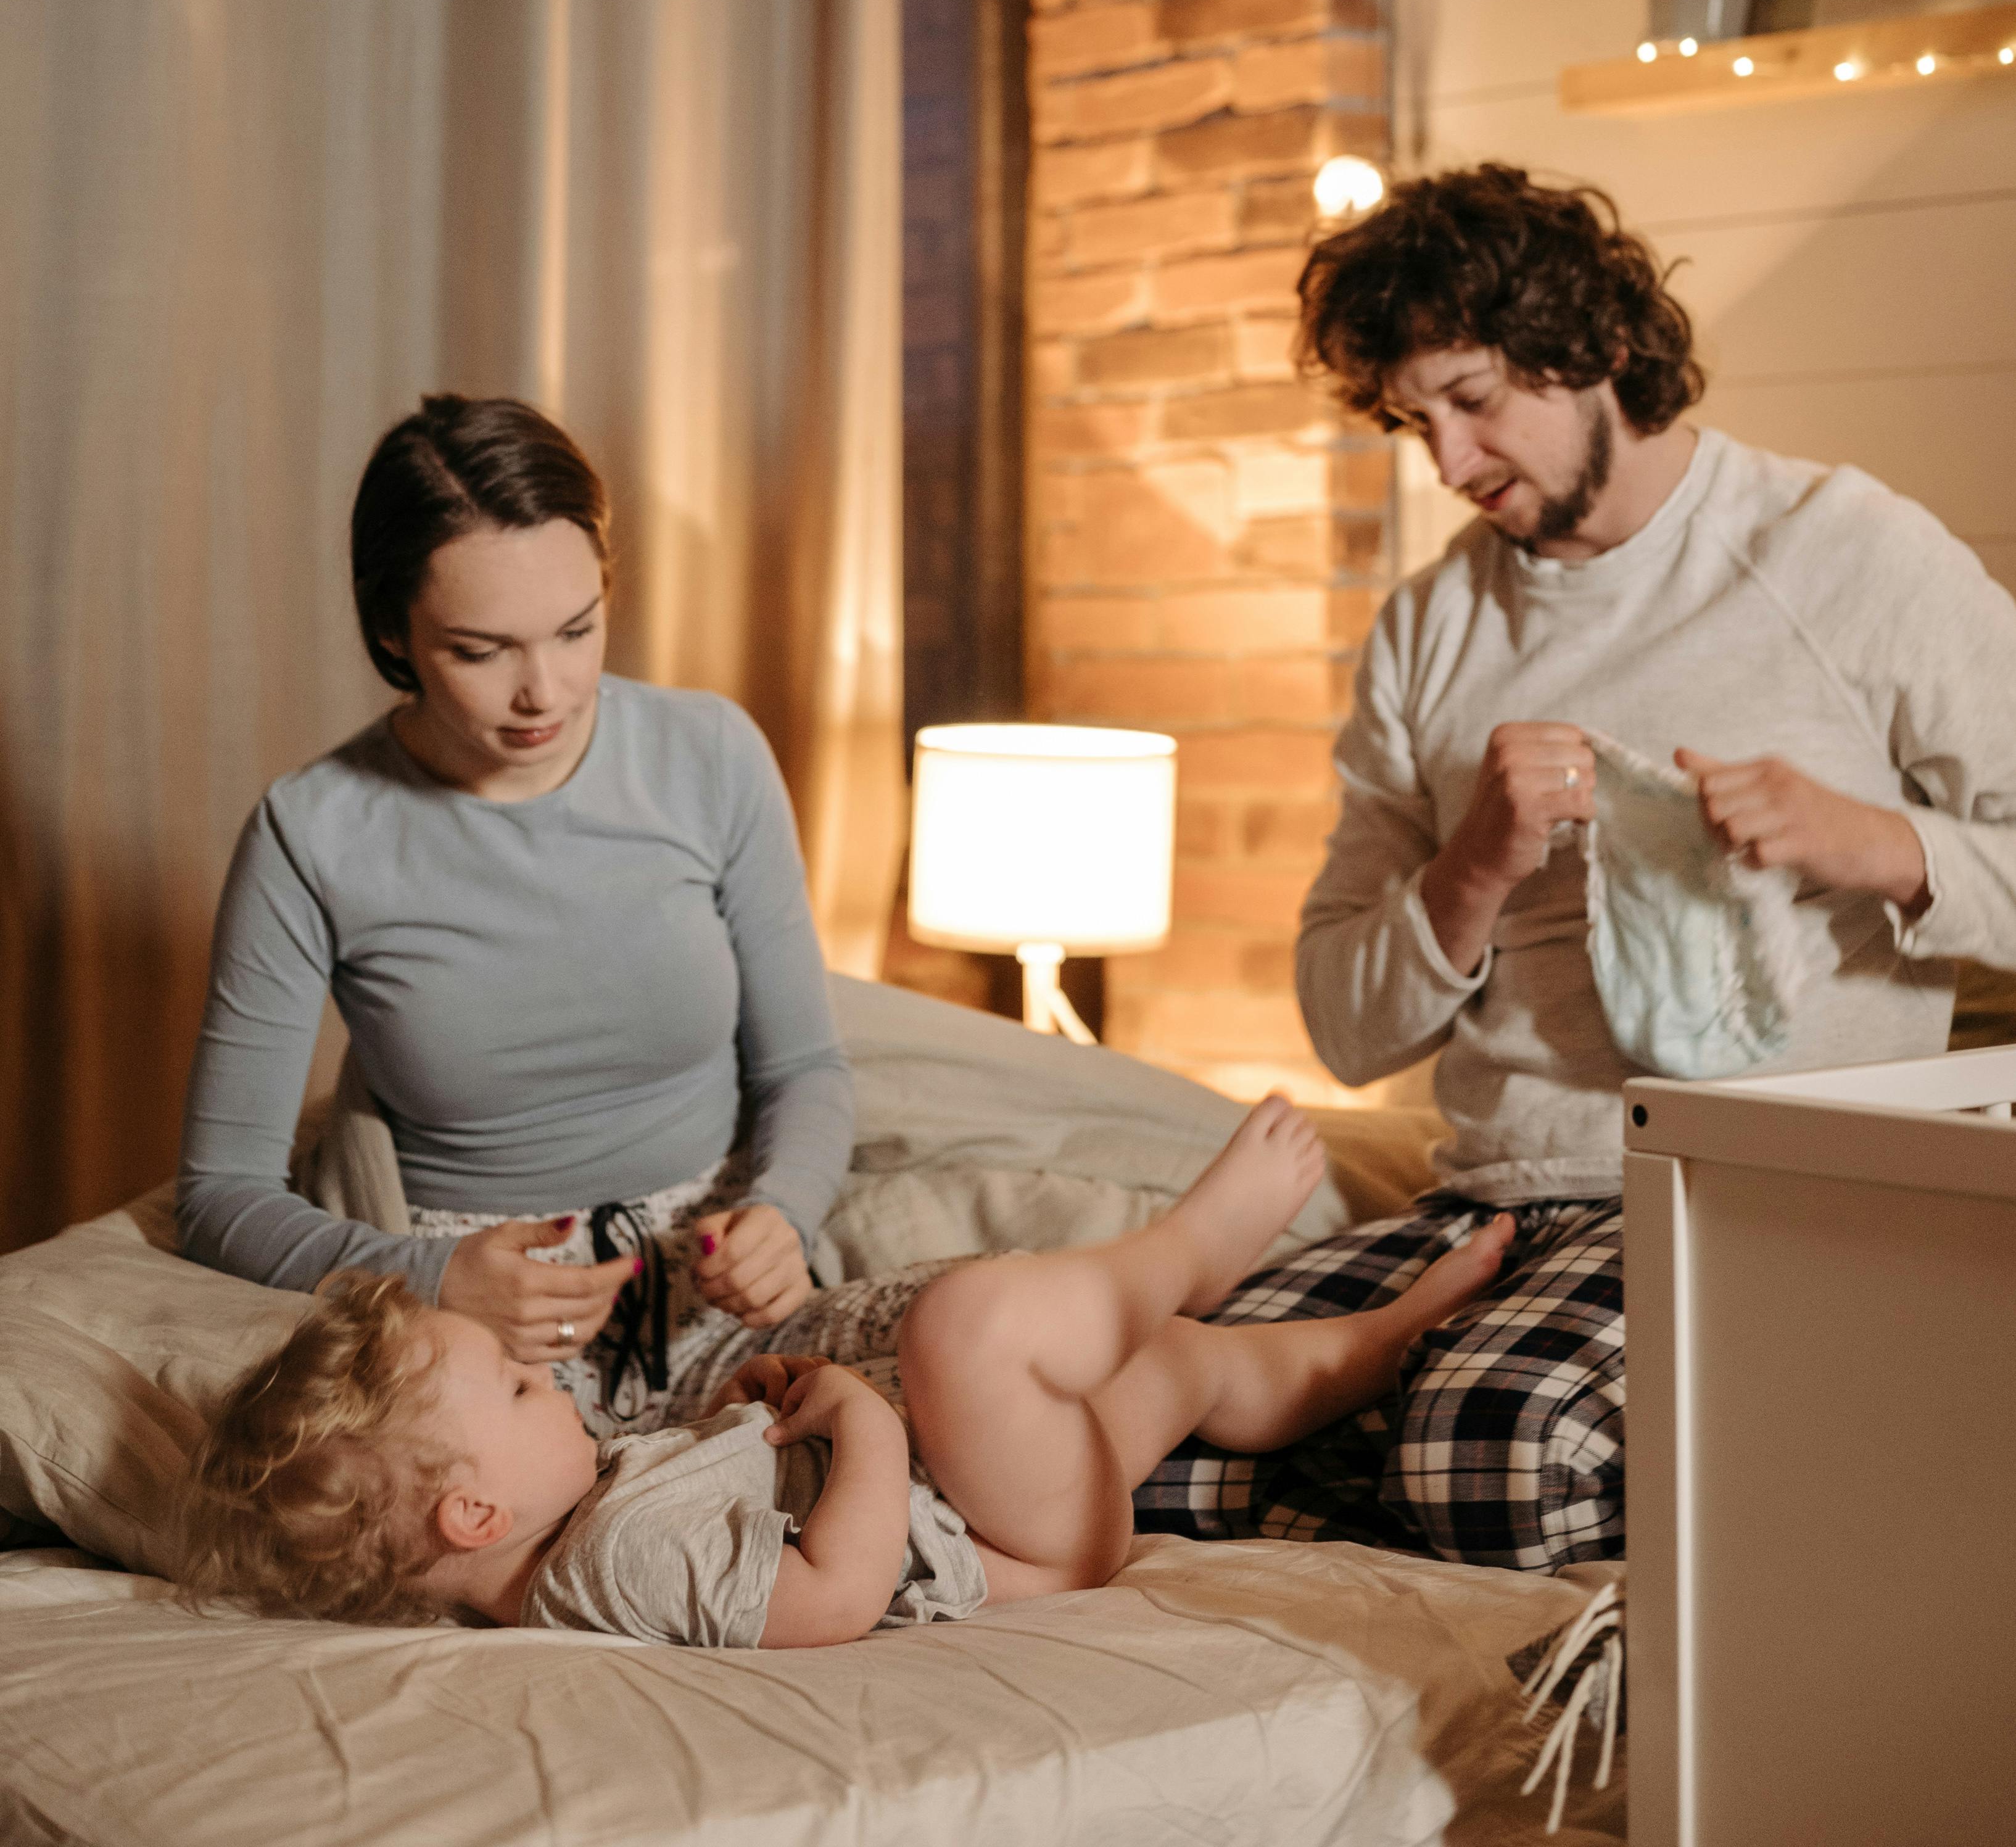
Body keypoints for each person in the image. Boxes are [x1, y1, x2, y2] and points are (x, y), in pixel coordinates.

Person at [1141, 163, 2016, 1574]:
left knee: (1489, 1452)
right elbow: (1340, 1024)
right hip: (1493, 1202)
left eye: (1473, 397)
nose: (1447, 462)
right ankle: (1461, 1465)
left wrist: (1877, 845)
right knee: (1118, 1411)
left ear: (1594, 346)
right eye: (1412, 421)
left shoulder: (1842, 554)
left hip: (1750, 1198)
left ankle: (1455, 1462)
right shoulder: (1430, 631)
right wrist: (1470, 871)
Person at [178, 394, 882, 1435]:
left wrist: (784, 1211)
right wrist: (430, 1276)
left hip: (726, 1289)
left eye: (577, 629)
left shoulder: (711, 755)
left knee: (998, 1357)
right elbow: (221, 1195)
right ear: (393, 631)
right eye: (481, 650)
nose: (543, 691)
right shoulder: (311, 831)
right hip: (481, 1340)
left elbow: (803, 1071)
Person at [178, 1097, 1512, 1639]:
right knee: (960, 1335)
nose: (557, 1389)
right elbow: (833, 1594)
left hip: (997, 1492)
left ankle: (1375, 1341)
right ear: (473, 1517)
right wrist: (862, 1426)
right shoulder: (611, 1561)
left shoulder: (579, 1526)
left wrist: (745, 1395)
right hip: (1009, 1543)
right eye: (526, 1394)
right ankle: (1182, 1247)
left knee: (1190, 1373)